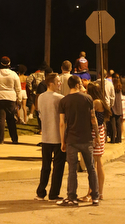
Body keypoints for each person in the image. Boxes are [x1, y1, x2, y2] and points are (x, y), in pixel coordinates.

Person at [57, 75, 100, 207]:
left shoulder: (64, 101)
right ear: (77, 84)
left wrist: (62, 141)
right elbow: (93, 119)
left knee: (72, 169)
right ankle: (95, 197)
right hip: (86, 138)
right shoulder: (88, 99)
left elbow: (62, 123)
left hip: (71, 139)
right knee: (91, 167)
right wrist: (97, 135)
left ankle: (72, 197)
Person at [35, 73, 66, 201]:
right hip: (58, 137)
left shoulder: (41, 97)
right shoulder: (60, 98)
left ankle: (41, 191)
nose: (60, 83)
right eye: (58, 81)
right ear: (51, 83)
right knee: (58, 167)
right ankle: (54, 193)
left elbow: (40, 114)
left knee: (45, 166)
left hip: (46, 136)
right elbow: (63, 119)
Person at [80, 81, 110, 202]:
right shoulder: (100, 101)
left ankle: (91, 192)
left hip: (95, 133)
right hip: (100, 131)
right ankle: (99, 192)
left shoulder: (95, 102)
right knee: (98, 162)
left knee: (93, 165)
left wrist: (82, 93)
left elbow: (91, 117)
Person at [0, 56, 21, 144]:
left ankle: (0, 139)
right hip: (11, 97)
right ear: (9, 64)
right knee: (11, 119)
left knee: (1, 119)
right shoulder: (14, 75)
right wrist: (19, 99)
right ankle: (14, 139)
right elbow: (18, 88)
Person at [110, 74, 123, 143]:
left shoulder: (113, 86)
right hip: (119, 106)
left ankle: (113, 139)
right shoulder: (120, 86)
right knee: (118, 124)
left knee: (113, 123)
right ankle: (119, 138)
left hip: (113, 105)